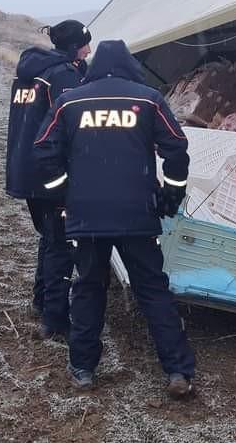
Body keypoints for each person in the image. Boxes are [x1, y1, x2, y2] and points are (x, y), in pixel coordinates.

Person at [33, 39, 196, 398]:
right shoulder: (148, 99)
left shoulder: (69, 101)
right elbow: (176, 148)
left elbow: (44, 150)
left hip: (86, 215)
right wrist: (171, 193)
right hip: (137, 213)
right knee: (152, 289)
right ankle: (178, 371)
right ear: (129, 66)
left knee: (89, 288)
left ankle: (83, 369)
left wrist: (64, 193)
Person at [5, 19, 91, 339]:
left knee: (50, 237)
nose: (89, 49)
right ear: (71, 47)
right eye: (84, 44)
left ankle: (42, 300)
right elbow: (74, 122)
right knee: (62, 245)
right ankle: (56, 321)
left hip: (24, 168)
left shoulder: (28, 74)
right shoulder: (63, 75)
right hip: (51, 171)